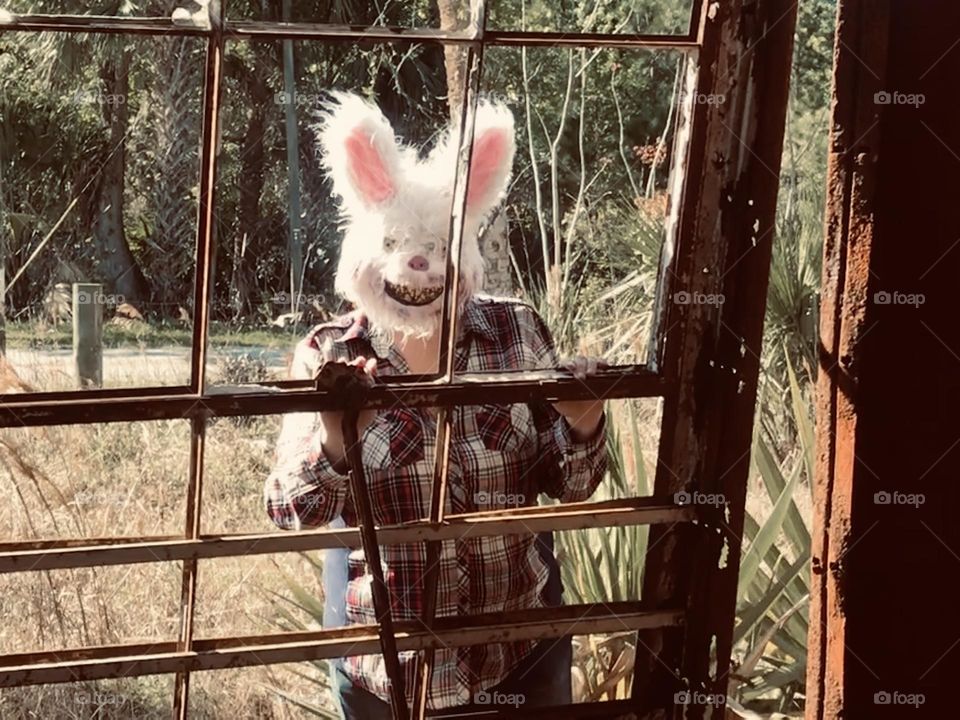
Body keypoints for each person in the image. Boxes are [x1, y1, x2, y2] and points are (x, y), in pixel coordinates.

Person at [264, 92, 608, 717]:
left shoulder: (517, 331)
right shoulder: (327, 353)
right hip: (388, 674)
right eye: (398, 241)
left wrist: (584, 424)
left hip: (521, 656)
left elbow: (570, 484)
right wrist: (338, 437)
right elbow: (291, 508)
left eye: (438, 244)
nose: (419, 264)